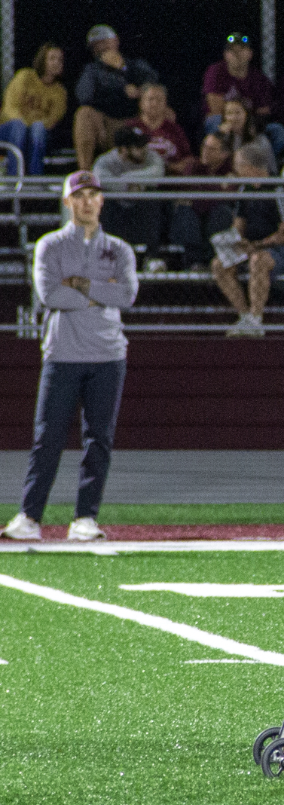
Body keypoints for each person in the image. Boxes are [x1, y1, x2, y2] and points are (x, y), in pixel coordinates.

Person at [2, 171, 138, 543]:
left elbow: (126, 295)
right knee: (47, 438)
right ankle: (29, 516)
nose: (88, 201)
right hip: (61, 354)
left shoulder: (120, 249)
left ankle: (85, 518)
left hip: (108, 355)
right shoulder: (50, 246)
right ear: (68, 202)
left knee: (99, 439)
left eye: (94, 194)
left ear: (102, 200)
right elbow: (50, 295)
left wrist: (79, 283)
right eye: (80, 195)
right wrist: (100, 292)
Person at [211, 145, 284, 337]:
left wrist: (259, 245)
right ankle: (245, 316)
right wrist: (235, 241)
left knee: (258, 260)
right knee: (219, 264)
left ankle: (256, 318)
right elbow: (238, 225)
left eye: (238, 166)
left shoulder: (278, 188)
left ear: (250, 166)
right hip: (251, 247)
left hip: (280, 250)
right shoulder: (246, 189)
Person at [73, 25, 159, 170]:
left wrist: (122, 69)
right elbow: (84, 96)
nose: (102, 47)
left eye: (105, 42)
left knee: (163, 108)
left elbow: (153, 81)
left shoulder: (134, 65)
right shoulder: (92, 70)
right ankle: (85, 175)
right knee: (84, 114)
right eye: (97, 45)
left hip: (137, 124)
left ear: (115, 41)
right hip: (107, 126)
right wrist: (120, 90)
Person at [168, 131, 235, 269]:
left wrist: (201, 193)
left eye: (211, 149)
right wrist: (216, 187)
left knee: (221, 212)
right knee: (185, 210)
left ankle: (211, 262)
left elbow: (226, 196)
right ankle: (194, 263)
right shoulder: (193, 166)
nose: (205, 152)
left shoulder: (231, 170)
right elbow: (187, 189)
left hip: (215, 215)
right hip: (194, 214)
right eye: (204, 146)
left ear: (224, 154)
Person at [93, 126, 165, 251]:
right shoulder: (106, 161)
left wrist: (130, 179)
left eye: (144, 145)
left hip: (141, 209)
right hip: (116, 210)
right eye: (138, 147)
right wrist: (126, 186)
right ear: (123, 149)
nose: (144, 150)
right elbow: (99, 178)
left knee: (153, 196)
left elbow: (158, 171)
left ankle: (152, 256)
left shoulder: (150, 156)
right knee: (103, 199)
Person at [0, 42, 66, 176]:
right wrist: (25, 125)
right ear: (43, 60)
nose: (57, 63)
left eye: (60, 59)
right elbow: (9, 107)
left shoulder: (60, 92)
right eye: (52, 58)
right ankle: (16, 178)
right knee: (19, 126)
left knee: (38, 128)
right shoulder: (25, 76)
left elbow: (52, 120)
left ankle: (35, 179)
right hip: (9, 128)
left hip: (37, 133)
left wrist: (32, 127)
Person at [202, 32, 276, 137]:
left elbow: (263, 111)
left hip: (250, 123)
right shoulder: (216, 72)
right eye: (232, 51)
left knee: (277, 131)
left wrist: (246, 123)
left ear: (250, 54)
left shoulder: (258, 78)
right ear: (225, 55)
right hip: (224, 120)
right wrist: (238, 119)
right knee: (215, 120)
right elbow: (216, 109)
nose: (237, 54)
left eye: (241, 49)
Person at [128, 83, 194, 176]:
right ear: (141, 103)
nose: (155, 104)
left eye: (159, 100)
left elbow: (188, 158)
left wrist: (177, 167)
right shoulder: (130, 128)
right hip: (137, 181)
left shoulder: (175, 129)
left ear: (165, 104)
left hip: (169, 183)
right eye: (150, 99)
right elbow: (120, 158)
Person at [219, 97, 278, 175]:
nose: (233, 118)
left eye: (237, 113)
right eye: (229, 113)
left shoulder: (259, 140)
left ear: (246, 115)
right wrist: (221, 137)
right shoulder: (223, 137)